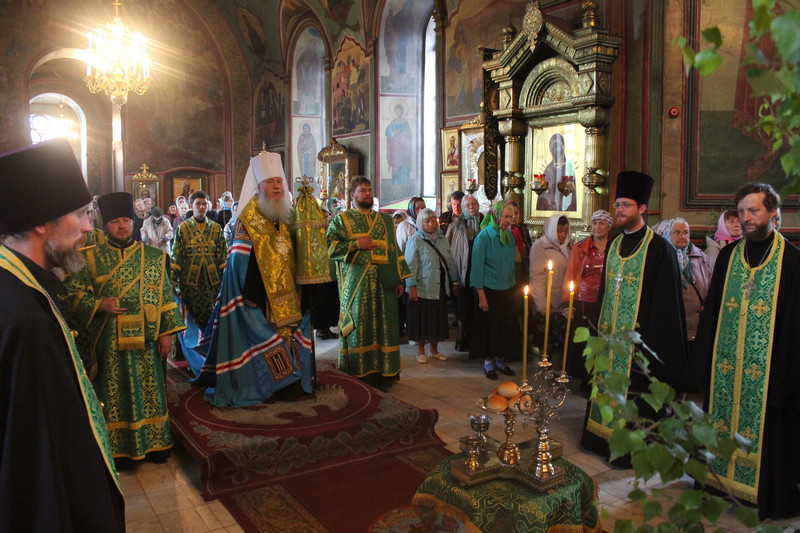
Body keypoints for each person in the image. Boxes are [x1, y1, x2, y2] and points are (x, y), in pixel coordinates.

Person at [0, 139, 125, 531]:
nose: (89, 226)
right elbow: (34, 447)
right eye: (80, 214)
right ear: (41, 221)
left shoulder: (24, 284)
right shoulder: (23, 316)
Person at [691, 183, 800, 519]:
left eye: (754, 210)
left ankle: (762, 497)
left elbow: (796, 326)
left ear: (773, 214)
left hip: (768, 376)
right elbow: (711, 316)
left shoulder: (793, 261)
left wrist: (783, 379)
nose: (746, 218)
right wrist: (703, 364)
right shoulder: (728, 256)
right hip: (726, 371)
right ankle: (718, 485)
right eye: (741, 212)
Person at [62, 192, 185, 464]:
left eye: (126, 220)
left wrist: (166, 335)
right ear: (105, 225)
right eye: (115, 221)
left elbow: (165, 297)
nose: (121, 226)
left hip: (147, 342)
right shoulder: (89, 258)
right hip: (108, 343)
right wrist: (99, 304)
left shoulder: (153, 257)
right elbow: (71, 294)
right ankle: (119, 451)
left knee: (149, 391)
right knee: (113, 393)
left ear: (133, 221)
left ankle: (155, 445)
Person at [581, 171, 688, 464]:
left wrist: (652, 351)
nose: (619, 211)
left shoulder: (659, 249)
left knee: (634, 398)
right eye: (617, 205)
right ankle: (598, 436)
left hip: (638, 347)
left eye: (625, 205)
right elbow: (603, 293)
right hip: (610, 337)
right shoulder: (614, 244)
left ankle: (627, 450)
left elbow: (666, 308)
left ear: (642, 209)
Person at [193, 152, 314, 406]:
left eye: (279, 182)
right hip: (259, 295)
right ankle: (276, 385)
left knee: (291, 335)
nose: (276, 187)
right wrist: (250, 295)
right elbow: (239, 262)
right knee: (266, 339)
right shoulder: (248, 218)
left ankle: (295, 380)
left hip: (291, 293)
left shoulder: (288, 215)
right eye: (270, 182)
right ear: (259, 187)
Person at [326, 177, 411, 390]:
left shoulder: (384, 220)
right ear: (352, 195)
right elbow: (329, 247)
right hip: (356, 283)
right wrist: (356, 243)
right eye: (362, 190)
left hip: (384, 284)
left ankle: (385, 374)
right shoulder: (342, 220)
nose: (367, 193)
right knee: (360, 327)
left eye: (369, 189)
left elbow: (393, 250)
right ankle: (359, 375)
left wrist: (399, 278)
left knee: (385, 326)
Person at [171, 190, 227, 359]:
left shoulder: (216, 228)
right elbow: (177, 256)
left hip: (212, 283)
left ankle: (211, 355)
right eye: (198, 204)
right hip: (190, 282)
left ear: (208, 206)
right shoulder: (183, 229)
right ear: (191, 206)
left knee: (211, 319)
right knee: (192, 319)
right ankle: (193, 357)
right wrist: (173, 280)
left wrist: (226, 279)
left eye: (204, 204)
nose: (202, 207)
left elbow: (222, 255)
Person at [562, 209, 612, 385]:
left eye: (601, 223)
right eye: (594, 223)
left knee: (602, 339)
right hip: (584, 300)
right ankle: (586, 380)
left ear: (609, 226)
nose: (597, 227)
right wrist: (569, 302)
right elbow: (571, 274)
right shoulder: (580, 247)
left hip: (607, 300)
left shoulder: (615, 247)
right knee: (587, 341)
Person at [470, 201, 518, 379]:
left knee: (504, 327)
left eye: (511, 217)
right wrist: (481, 296)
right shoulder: (483, 237)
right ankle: (488, 363)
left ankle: (500, 360)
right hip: (488, 290)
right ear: (496, 216)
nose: (509, 220)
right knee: (489, 328)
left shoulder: (509, 236)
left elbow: (512, 264)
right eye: (506, 216)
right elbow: (477, 269)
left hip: (506, 289)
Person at [405, 208, 459, 363]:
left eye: (433, 221)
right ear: (421, 223)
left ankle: (434, 350)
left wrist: (454, 281)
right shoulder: (415, 240)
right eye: (426, 221)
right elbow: (410, 266)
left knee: (437, 320)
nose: (430, 224)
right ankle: (421, 351)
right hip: (423, 288)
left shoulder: (442, 239)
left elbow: (450, 261)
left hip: (440, 286)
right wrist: (412, 287)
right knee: (422, 320)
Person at [529, 214, 572, 364]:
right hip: (547, 302)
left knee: (560, 340)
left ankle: (557, 371)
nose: (563, 235)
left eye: (566, 231)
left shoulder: (568, 245)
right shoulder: (540, 246)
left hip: (563, 301)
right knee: (546, 340)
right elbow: (537, 276)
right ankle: (545, 371)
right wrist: (541, 304)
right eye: (559, 231)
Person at [663, 217, 711, 343]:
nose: (682, 236)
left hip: (697, 328)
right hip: (672, 327)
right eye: (677, 232)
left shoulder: (701, 258)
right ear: (669, 234)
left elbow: (710, 285)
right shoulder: (663, 259)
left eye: (686, 232)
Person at [446, 194, 483, 353]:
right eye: (467, 205)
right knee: (463, 308)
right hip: (462, 272)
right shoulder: (456, 226)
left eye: (473, 204)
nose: (471, 208)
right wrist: (453, 279)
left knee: (477, 308)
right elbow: (449, 253)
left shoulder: (485, 223)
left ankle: (476, 340)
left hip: (479, 272)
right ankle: (461, 338)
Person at [537, 133, 577, 211]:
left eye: (558, 147)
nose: (556, 150)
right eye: (553, 148)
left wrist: (568, 188)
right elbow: (542, 192)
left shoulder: (568, 167)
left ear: (563, 148)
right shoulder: (548, 168)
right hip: (549, 206)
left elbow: (572, 193)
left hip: (565, 206)